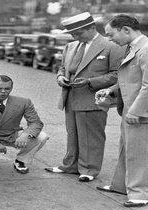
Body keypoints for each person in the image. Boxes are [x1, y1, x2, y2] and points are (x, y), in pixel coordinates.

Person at [95, 14, 148, 207]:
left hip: (144, 112)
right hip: (133, 108)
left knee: (142, 153)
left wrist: (136, 111)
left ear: (126, 30)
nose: (109, 39)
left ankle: (142, 194)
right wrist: (110, 90)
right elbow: (131, 79)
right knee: (127, 149)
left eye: (111, 34)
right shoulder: (135, 48)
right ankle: (121, 186)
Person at [44, 12, 124, 182]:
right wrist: (60, 78)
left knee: (91, 136)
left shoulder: (111, 46)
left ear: (92, 28)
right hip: (70, 98)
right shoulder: (71, 46)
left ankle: (89, 169)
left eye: (78, 33)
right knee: (72, 133)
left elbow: (118, 75)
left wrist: (90, 81)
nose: (75, 37)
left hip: (92, 99)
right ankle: (70, 165)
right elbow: (61, 68)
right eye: (72, 34)